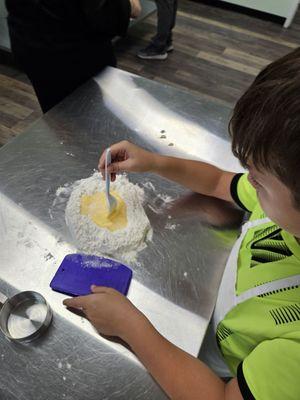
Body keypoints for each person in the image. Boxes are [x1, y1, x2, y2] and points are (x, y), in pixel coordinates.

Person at [64, 48, 300, 399]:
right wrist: (154, 162)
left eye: (260, 181)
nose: (248, 182)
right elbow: (221, 182)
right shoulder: (279, 203)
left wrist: (130, 326)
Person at [5, 0, 141, 113]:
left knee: (56, 110)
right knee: (94, 113)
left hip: (30, 43)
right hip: (76, 57)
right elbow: (122, 11)